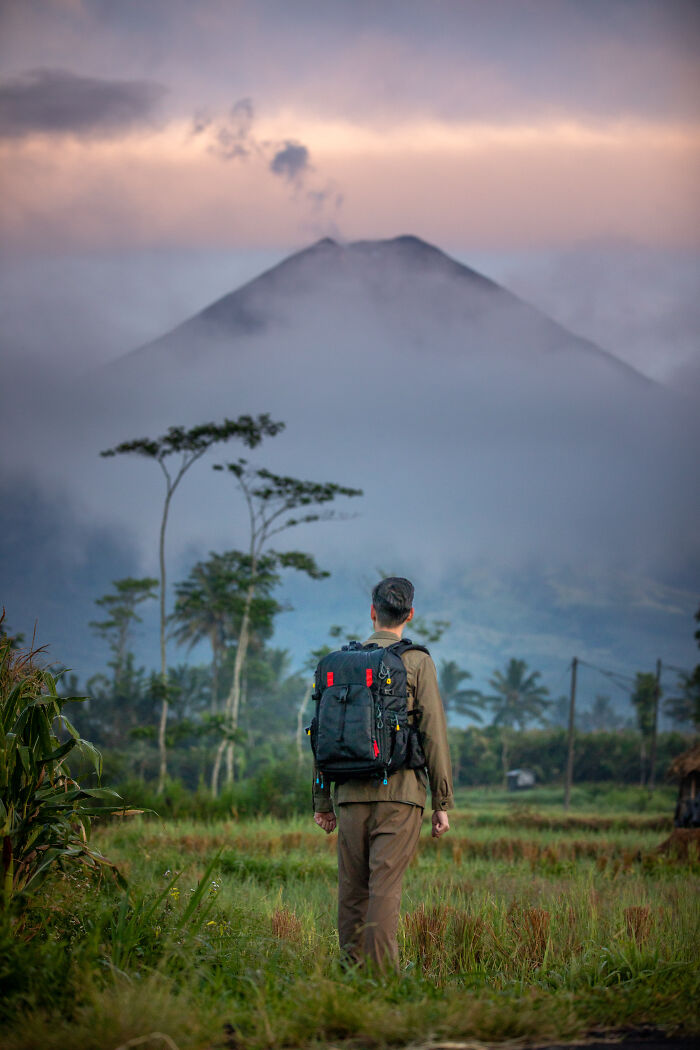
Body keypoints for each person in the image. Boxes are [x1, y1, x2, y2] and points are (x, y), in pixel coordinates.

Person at [312, 576, 454, 972]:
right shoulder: (417, 661)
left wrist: (322, 802)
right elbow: (433, 734)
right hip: (402, 795)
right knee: (384, 892)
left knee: (352, 893)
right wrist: (442, 803)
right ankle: (381, 981)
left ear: (373, 612)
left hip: (350, 795)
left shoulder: (340, 663)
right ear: (409, 615)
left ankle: (351, 974)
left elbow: (321, 733)